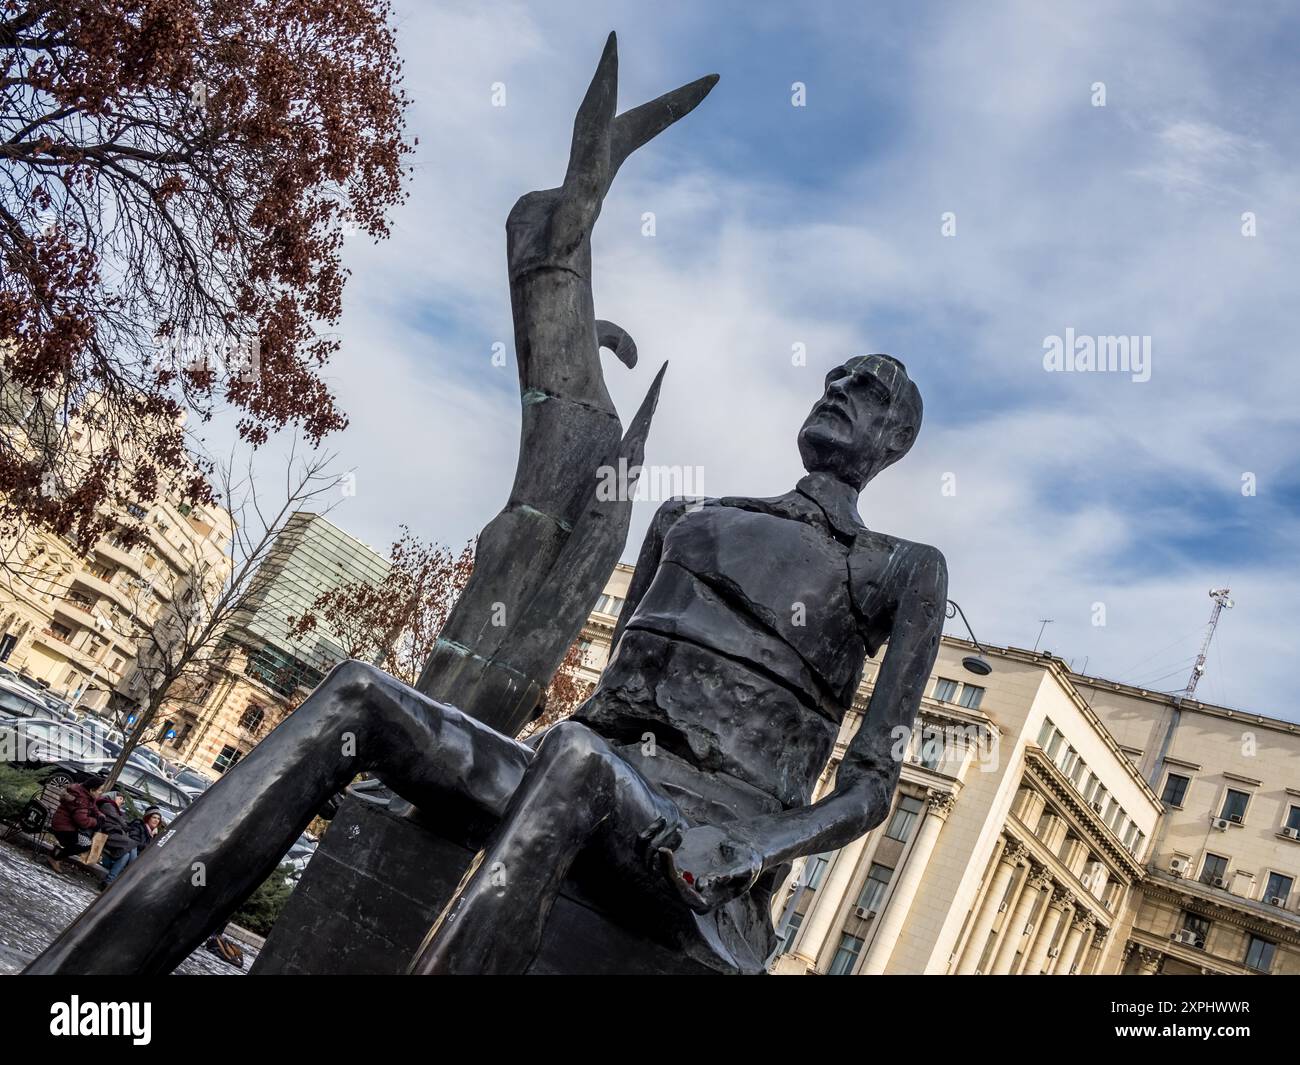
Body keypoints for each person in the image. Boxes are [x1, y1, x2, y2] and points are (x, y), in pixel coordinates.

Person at [28, 355, 948, 977]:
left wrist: (751, 847)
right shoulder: (689, 519)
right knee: (361, 695)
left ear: (892, 442)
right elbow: (607, 704)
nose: (840, 392)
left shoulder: (902, 568)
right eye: (834, 380)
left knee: (579, 767)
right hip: (590, 773)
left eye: (866, 392)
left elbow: (871, 784)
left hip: (704, 851)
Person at [47, 774, 105, 873]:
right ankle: (55, 857)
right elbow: (82, 822)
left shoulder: (84, 792)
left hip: (67, 825)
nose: (101, 793)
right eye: (99, 790)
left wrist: (100, 815)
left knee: (84, 840)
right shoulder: (81, 798)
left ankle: (57, 852)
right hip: (63, 828)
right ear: (92, 790)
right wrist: (96, 822)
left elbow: (93, 806)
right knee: (85, 845)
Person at [94, 791, 136, 890]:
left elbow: (120, 820)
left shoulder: (114, 808)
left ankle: (108, 882)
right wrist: (127, 827)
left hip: (114, 835)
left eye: (123, 800)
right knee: (132, 845)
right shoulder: (107, 804)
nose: (122, 802)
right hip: (108, 834)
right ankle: (130, 877)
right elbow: (118, 820)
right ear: (114, 796)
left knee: (126, 854)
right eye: (120, 798)